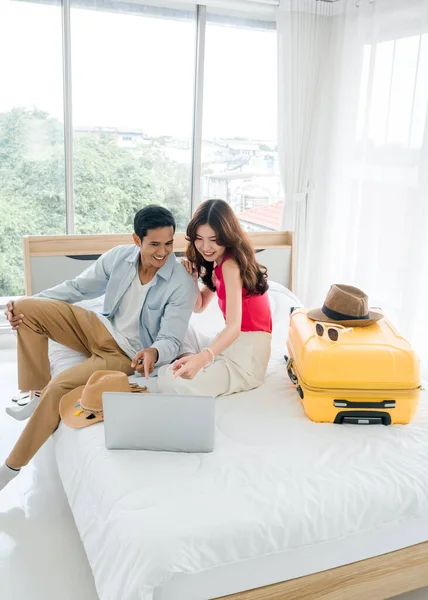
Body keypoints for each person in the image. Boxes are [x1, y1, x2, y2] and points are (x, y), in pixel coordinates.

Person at [0, 205, 198, 491]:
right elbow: (78, 289)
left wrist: (154, 352)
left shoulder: (182, 284)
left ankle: (10, 467)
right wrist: (35, 302)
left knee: (60, 387)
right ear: (136, 240)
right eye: (154, 244)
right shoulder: (120, 257)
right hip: (99, 327)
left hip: (124, 354)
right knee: (24, 307)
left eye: (169, 244)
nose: (163, 252)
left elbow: (171, 338)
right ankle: (36, 390)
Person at [157, 199, 272, 398]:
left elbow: (234, 327)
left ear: (227, 236)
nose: (205, 246)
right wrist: (191, 279)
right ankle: (193, 359)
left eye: (213, 239)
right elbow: (199, 306)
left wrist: (203, 358)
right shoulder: (218, 262)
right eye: (199, 238)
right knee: (180, 328)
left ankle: (196, 361)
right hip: (233, 342)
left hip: (248, 353)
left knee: (168, 379)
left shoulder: (231, 265)